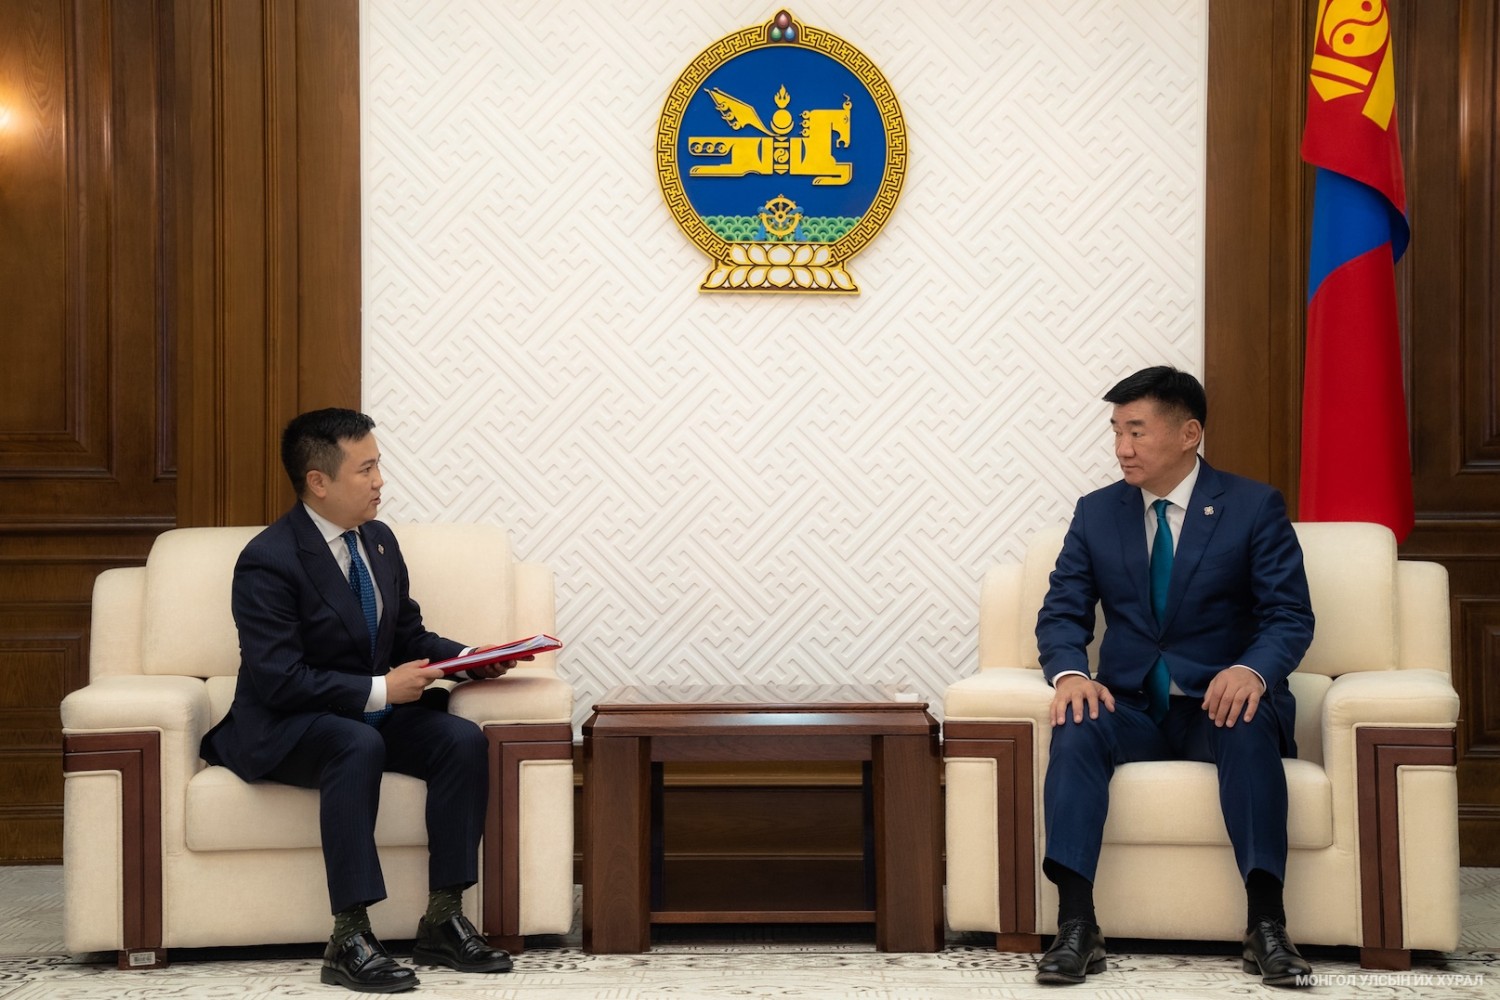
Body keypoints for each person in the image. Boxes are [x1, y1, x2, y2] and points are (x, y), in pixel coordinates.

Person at [201, 408, 517, 993]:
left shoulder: (378, 540)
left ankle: (443, 919)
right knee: (355, 742)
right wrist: (380, 689)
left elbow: (409, 637)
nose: (379, 481)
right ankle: (349, 938)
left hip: (365, 713)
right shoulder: (269, 559)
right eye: (365, 469)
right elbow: (278, 679)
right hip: (288, 723)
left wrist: (473, 659)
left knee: (459, 739)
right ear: (318, 481)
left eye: (378, 466)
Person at [1033, 367, 1316, 988]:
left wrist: (1251, 670)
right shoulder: (1097, 513)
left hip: (1216, 703)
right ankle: (1077, 925)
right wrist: (1071, 674)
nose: (1122, 448)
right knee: (1076, 722)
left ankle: (1267, 925)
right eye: (1116, 431)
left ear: (1189, 434)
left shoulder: (1252, 507)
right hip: (1132, 704)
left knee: (1245, 721)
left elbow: (1289, 615)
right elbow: (1062, 612)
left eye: (1137, 431)